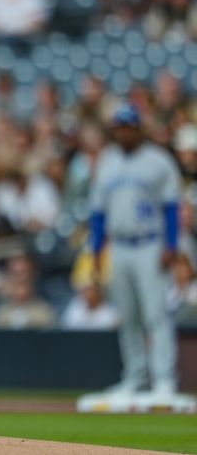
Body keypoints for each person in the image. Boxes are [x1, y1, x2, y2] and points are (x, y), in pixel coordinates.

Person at [88, 104, 181, 402]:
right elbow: (98, 212)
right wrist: (96, 252)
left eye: (128, 126)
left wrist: (170, 244)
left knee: (156, 315)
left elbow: (170, 207)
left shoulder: (158, 160)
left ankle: (164, 380)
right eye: (119, 127)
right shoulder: (107, 161)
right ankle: (135, 378)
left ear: (139, 128)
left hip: (150, 243)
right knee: (127, 316)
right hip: (120, 245)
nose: (123, 132)